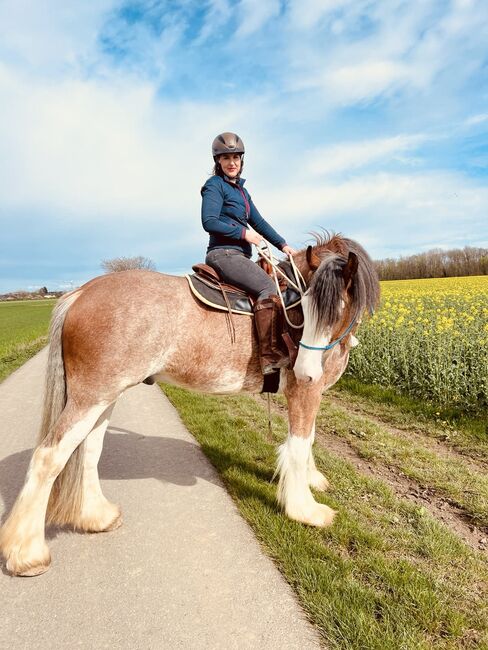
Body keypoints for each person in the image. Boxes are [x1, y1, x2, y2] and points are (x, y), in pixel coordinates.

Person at [201, 132, 297, 374]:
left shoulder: (242, 192)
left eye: (236, 157)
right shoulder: (215, 185)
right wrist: (244, 235)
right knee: (269, 288)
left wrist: (283, 245)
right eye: (226, 158)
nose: (232, 162)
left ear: (242, 160)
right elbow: (209, 221)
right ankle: (270, 357)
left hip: (240, 256)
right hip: (223, 254)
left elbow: (260, 222)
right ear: (218, 162)